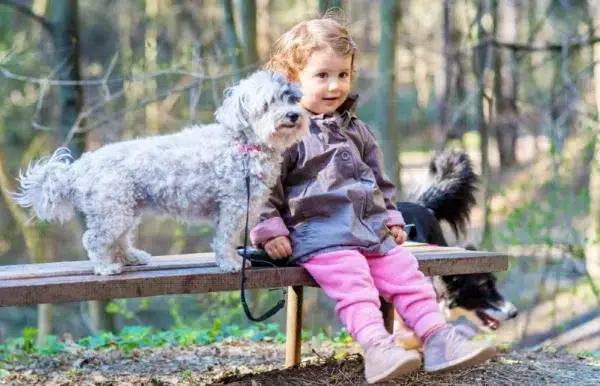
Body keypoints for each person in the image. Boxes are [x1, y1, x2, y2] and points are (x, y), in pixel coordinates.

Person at [250, 14, 496, 384]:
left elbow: (379, 183)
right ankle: (378, 348)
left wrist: (392, 217)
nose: (335, 85)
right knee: (355, 285)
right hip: (320, 237)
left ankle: (438, 338)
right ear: (291, 78)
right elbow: (263, 186)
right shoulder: (285, 132)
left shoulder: (358, 131)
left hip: (369, 231)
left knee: (407, 276)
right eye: (322, 75)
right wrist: (269, 229)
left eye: (343, 75)